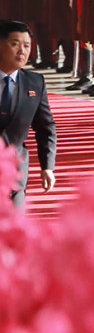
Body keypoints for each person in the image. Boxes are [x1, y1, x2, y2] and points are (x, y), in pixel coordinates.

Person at [0, 21, 56, 207]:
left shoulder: (35, 82)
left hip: (15, 168)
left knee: (14, 227)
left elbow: (45, 126)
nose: (22, 51)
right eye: (15, 44)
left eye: (27, 45)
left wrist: (47, 166)